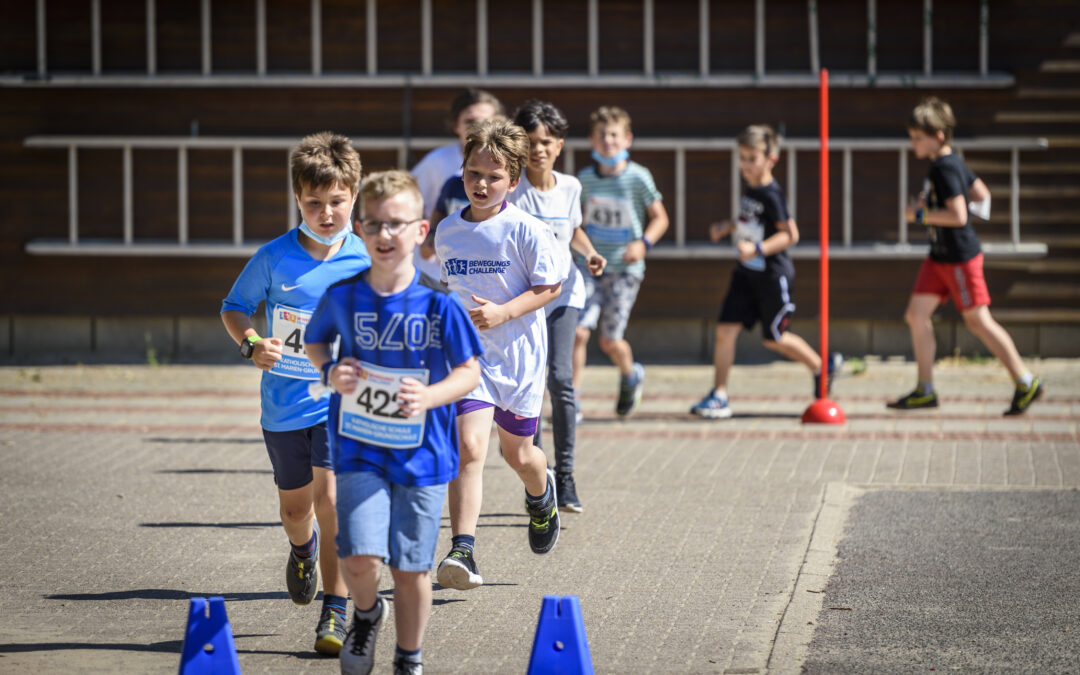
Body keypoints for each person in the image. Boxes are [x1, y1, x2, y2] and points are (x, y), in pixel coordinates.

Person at [304, 170, 483, 675]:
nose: (385, 235)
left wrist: (429, 396)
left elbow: (470, 373)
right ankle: (365, 613)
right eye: (375, 225)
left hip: (424, 456)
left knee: (410, 569)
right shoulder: (343, 296)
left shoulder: (440, 304)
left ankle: (410, 658)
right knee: (358, 558)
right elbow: (317, 342)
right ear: (360, 230)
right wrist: (329, 370)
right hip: (359, 447)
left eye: (397, 225)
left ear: (420, 232)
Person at [220, 131, 371, 655]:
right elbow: (233, 308)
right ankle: (301, 551)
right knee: (295, 510)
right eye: (314, 203)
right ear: (297, 200)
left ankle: (335, 608)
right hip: (284, 403)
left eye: (337, 202)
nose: (326, 212)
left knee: (331, 500)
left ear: (354, 197)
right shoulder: (274, 258)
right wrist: (252, 344)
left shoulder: (366, 257)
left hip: (339, 403)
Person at [433, 117, 565, 591]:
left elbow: (550, 286)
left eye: (493, 176)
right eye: (473, 173)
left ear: (512, 178)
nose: (481, 183)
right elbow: (448, 288)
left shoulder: (526, 229)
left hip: (520, 360)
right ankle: (462, 551)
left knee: (520, 455)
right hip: (470, 360)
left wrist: (504, 312)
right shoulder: (448, 231)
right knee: (468, 447)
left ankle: (541, 492)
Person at [888, 97, 1043, 415]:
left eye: (918, 137)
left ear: (939, 136)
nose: (912, 142)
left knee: (978, 321)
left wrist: (921, 216)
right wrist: (936, 208)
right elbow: (982, 196)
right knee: (916, 316)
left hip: (959, 257)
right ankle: (925, 389)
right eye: (912, 136)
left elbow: (959, 216)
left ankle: (1026, 382)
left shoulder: (945, 167)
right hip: (939, 257)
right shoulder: (949, 163)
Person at [690, 125, 836, 420]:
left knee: (775, 338)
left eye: (751, 158)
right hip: (746, 275)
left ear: (771, 158)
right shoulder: (753, 188)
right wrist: (728, 226)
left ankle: (822, 366)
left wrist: (756, 249)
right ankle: (719, 395)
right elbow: (750, 218)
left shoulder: (772, 194)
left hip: (772, 275)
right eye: (741, 157)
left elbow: (790, 235)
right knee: (725, 330)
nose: (744, 164)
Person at [508, 99, 606, 513]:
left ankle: (565, 476)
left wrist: (590, 253)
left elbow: (574, 230)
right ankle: (542, 472)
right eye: (530, 142)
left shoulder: (570, 187)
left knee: (561, 380)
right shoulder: (511, 190)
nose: (538, 149)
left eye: (546, 142)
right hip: (526, 299)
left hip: (565, 294)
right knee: (531, 384)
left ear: (559, 145)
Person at [572, 106, 669, 419]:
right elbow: (579, 221)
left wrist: (644, 243)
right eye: (601, 136)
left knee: (610, 340)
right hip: (589, 266)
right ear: (591, 141)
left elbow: (660, 217)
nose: (607, 141)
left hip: (624, 270)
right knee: (578, 332)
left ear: (627, 139)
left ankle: (630, 374)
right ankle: (570, 400)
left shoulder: (638, 178)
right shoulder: (584, 179)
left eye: (613, 135)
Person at [411, 89, 503, 279]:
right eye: (470, 121)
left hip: (491, 269)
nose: (477, 127)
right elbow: (409, 205)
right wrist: (429, 236)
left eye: (485, 122)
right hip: (441, 271)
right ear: (456, 126)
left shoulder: (506, 165)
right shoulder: (437, 162)